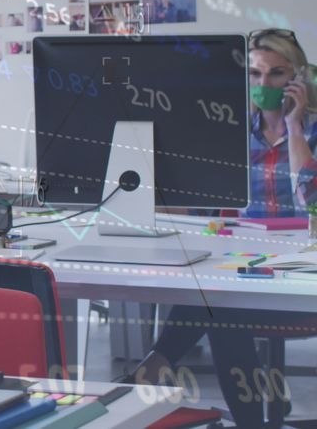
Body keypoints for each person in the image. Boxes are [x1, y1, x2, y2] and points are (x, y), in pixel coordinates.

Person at [130, 29, 317, 426]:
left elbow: (311, 200)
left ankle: (155, 367)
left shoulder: (312, 130)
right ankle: (252, 409)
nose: (263, 84)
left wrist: (295, 125)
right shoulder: (229, 130)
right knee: (215, 295)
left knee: (219, 306)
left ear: (299, 78)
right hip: (245, 264)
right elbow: (202, 201)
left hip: (301, 277)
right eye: (254, 74)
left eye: (276, 74)